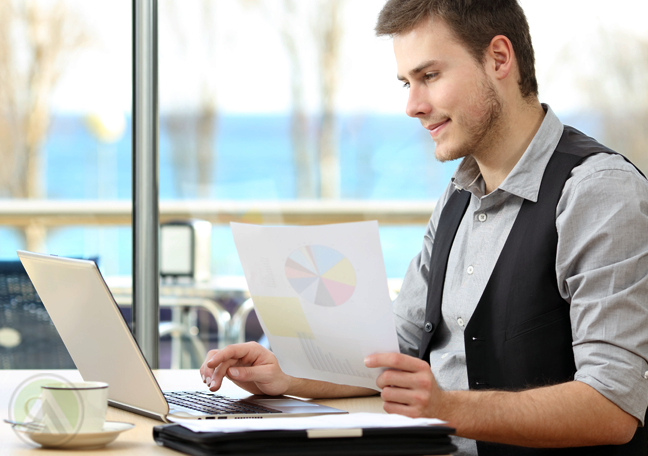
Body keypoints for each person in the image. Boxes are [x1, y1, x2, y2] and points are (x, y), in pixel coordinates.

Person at [200, 1, 648, 454]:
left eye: (429, 76)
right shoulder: (457, 197)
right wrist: (287, 375)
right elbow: (397, 349)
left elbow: (613, 405)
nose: (413, 106)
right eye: (406, 83)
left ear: (498, 58)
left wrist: (446, 407)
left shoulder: (599, 192)